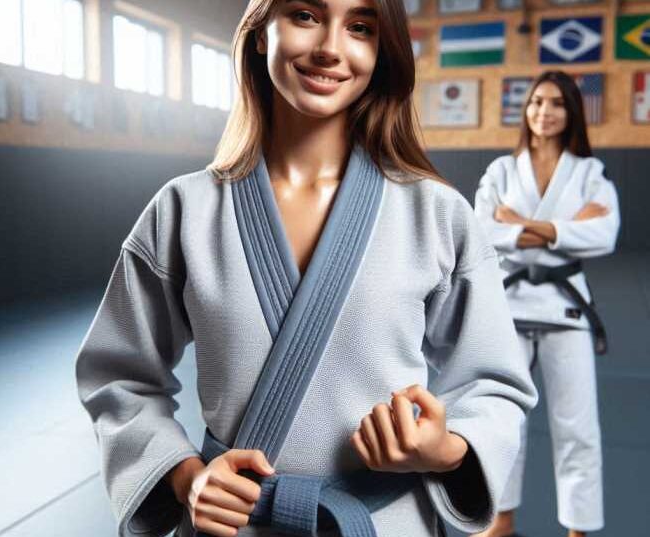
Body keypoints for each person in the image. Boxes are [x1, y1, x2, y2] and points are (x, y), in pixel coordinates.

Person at [75, 1, 536, 536]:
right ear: (260, 35)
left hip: (385, 521)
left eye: (360, 27)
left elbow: (495, 381)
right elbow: (118, 374)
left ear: (380, 51)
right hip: (236, 523)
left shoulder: (435, 213)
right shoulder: (184, 210)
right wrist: (186, 477)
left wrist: (448, 448)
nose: (330, 49)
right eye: (305, 16)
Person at [473, 71, 620, 537]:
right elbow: (482, 232)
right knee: (502, 421)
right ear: (527, 109)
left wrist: (520, 223)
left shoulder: (589, 174)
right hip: (509, 306)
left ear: (571, 112)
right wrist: (565, 226)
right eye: (537, 102)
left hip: (565, 308)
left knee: (578, 427)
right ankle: (500, 519)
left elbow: (604, 234)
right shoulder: (501, 171)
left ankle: (579, 528)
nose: (544, 112)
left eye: (556, 103)